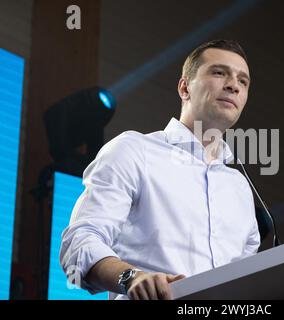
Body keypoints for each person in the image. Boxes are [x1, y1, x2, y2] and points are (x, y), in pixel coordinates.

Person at [60, 39, 260, 300]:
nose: (234, 85)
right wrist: (131, 276)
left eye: (243, 81)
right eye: (219, 72)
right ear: (184, 87)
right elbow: (79, 242)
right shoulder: (133, 151)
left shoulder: (240, 188)